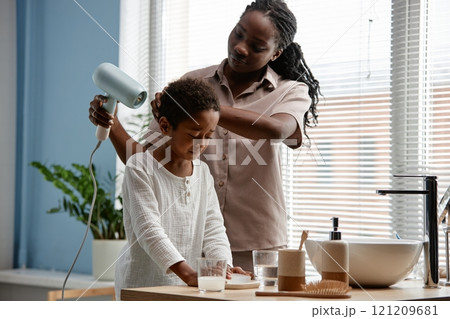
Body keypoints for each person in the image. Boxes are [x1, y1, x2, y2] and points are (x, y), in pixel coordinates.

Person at [90, 0, 320, 272]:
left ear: (275, 53)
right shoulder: (192, 83)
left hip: (257, 247)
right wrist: (112, 123)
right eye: (238, 32)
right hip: (188, 244)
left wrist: (204, 111)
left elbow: (277, 129)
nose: (240, 47)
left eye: (257, 47)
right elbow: (146, 164)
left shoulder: (289, 91)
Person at [115, 77, 248, 299]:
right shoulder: (140, 167)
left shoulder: (203, 172)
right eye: (194, 136)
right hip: (143, 289)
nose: (202, 144)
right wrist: (187, 273)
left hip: (186, 292)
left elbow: (213, 228)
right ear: (166, 126)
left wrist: (222, 267)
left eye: (208, 136)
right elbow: (148, 230)